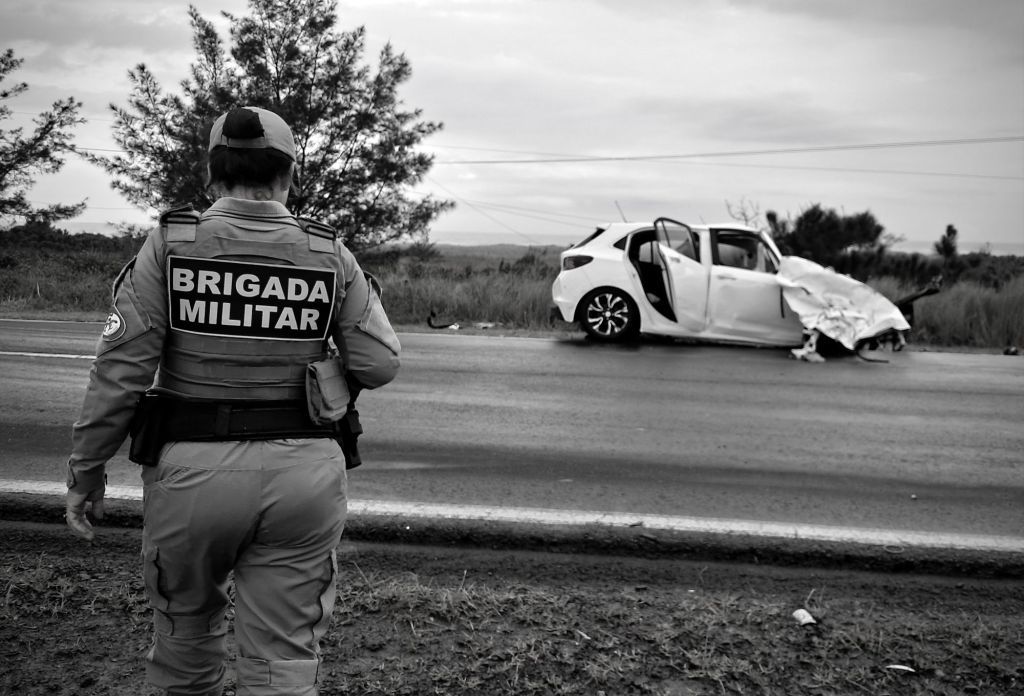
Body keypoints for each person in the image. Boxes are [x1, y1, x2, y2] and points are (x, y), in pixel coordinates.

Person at [64, 106, 400, 696]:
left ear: (212, 171)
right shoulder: (327, 250)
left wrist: (87, 472)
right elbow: (379, 362)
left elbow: (120, 373)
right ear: (289, 173)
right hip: (305, 478)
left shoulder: (171, 244)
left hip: (191, 479)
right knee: (283, 658)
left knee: (185, 644)